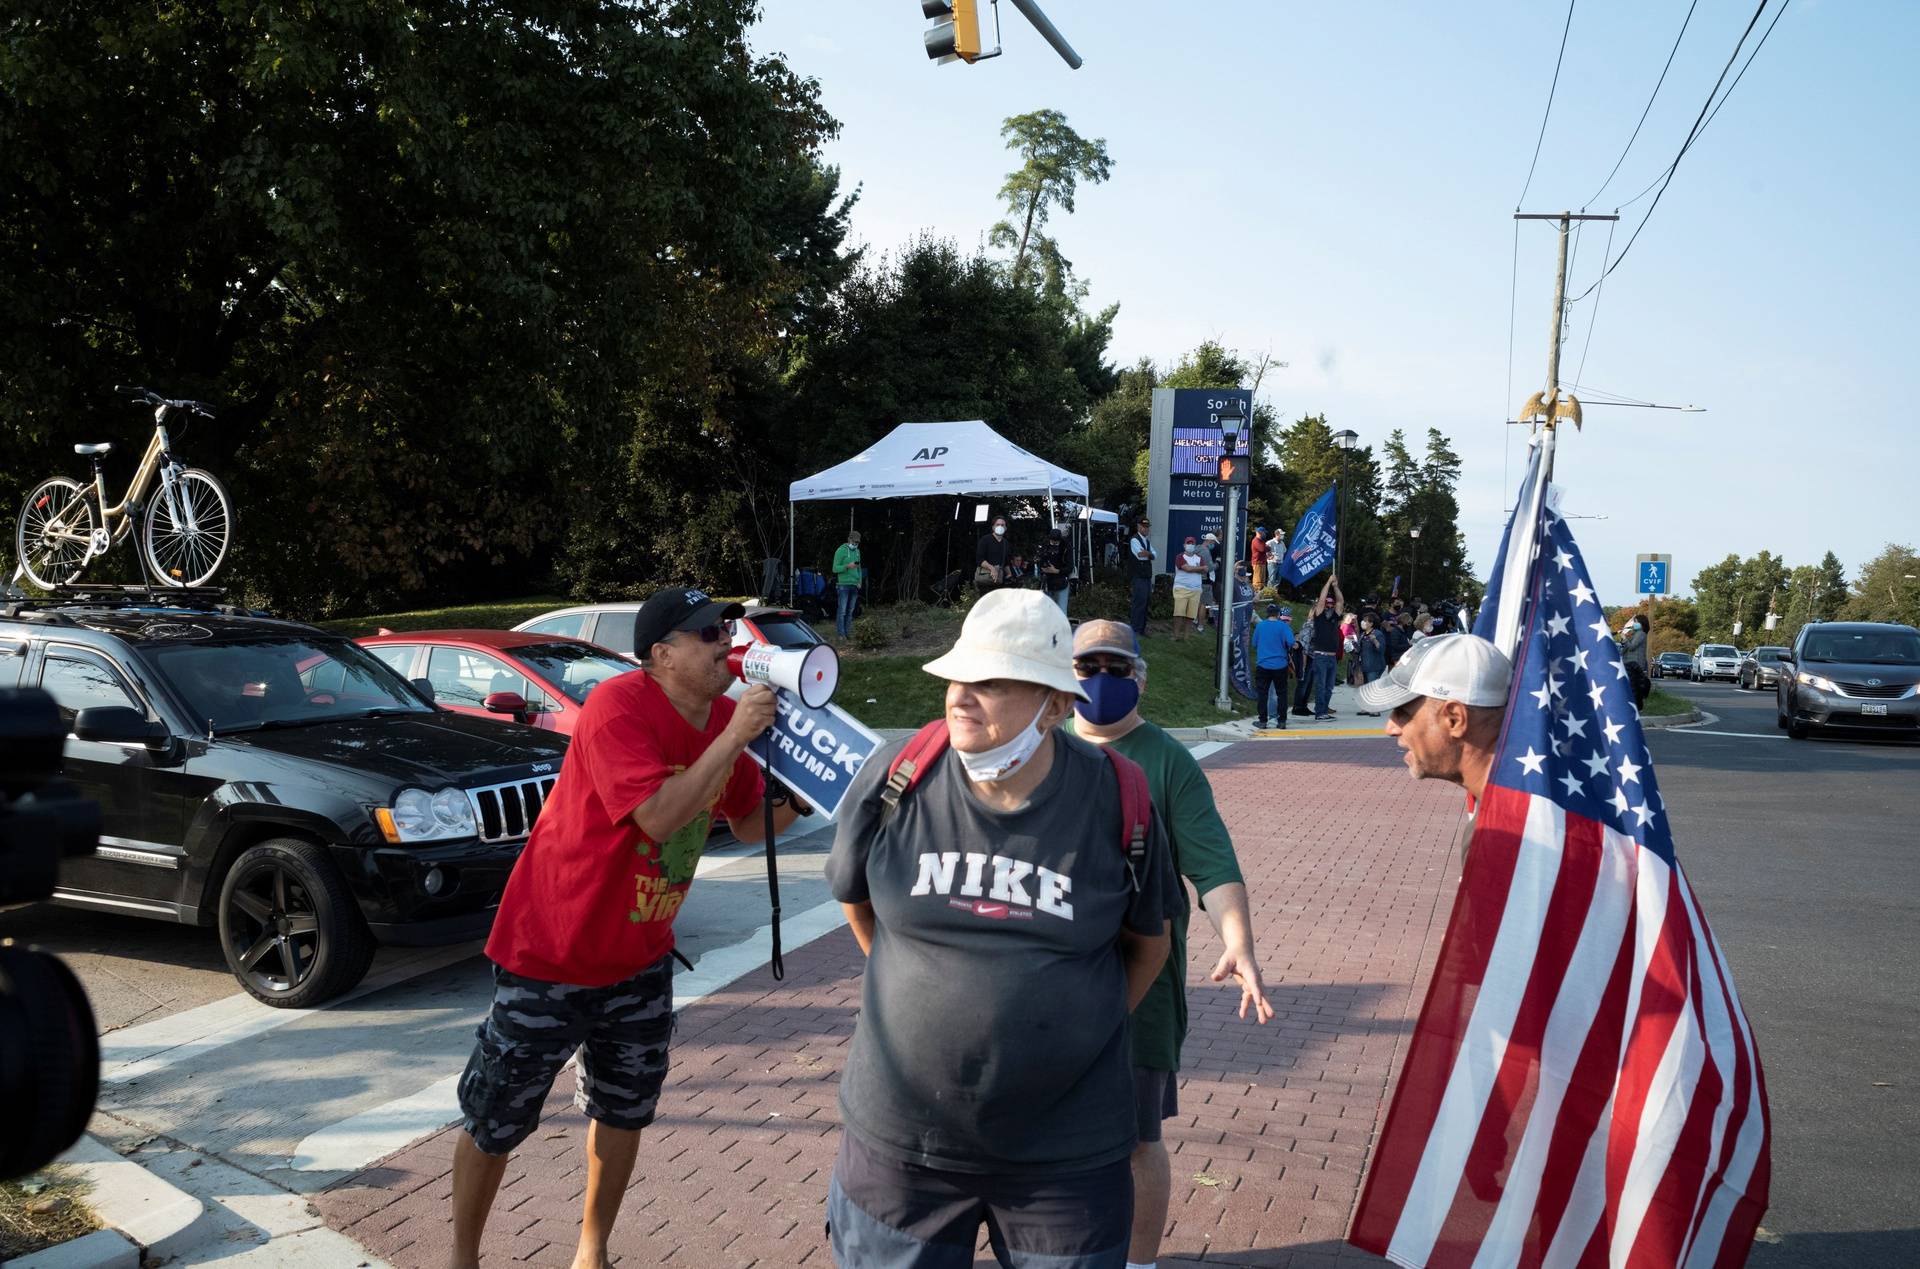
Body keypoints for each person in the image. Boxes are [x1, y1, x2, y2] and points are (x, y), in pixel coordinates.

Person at [449, 586, 810, 1269]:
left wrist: (807, 784)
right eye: (708, 631)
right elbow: (657, 816)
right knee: (497, 1115)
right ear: (661, 654)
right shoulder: (619, 706)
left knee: (624, 1109)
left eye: (727, 626)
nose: (725, 639)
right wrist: (736, 735)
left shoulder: (724, 714)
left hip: (641, 957)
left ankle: (594, 1251)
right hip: (552, 950)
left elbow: (747, 821)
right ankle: (462, 1258)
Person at [824, 590, 1180, 1268]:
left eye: (990, 682)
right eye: (959, 676)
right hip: (901, 1150)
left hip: (1065, 1161)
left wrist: (1068, 1029)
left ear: (1054, 704)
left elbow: (1149, 944)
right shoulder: (898, 777)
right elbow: (858, 901)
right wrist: (926, 994)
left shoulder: (1120, 798)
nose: (961, 696)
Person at [1067, 620, 1274, 1269]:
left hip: (1140, 990)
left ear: (1141, 678)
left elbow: (1212, 867)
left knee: (1136, 1138)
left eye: (1117, 668)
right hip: (1046, 984)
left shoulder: (1167, 761)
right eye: (1087, 665)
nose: (1101, 679)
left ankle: (1137, 1262)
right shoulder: (1039, 749)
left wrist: (1238, 942)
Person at [1356, 632, 1513, 863]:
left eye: (1402, 713)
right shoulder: (1511, 812)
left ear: (1455, 719)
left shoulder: (1509, 840)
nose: (1390, 728)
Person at [1250, 602, 1296, 729]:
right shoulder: (1283, 626)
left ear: (1267, 614)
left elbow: (1254, 643)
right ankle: (1282, 721)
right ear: (1278, 614)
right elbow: (1291, 642)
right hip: (1280, 665)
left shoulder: (1260, 626)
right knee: (1282, 693)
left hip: (1263, 664)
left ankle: (1263, 721)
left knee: (1262, 694)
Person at [1306, 572, 1344, 720]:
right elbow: (1321, 600)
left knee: (1329, 687)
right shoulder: (1319, 615)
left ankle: (1323, 710)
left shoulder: (1335, 616)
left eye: (1330, 604)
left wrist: (1335, 587)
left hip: (1332, 657)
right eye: (1327, 604)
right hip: (1320, 656)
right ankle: (1319, 712)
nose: (1329, 606)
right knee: (1321, 685)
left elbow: (1340, 601)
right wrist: (1328, 583)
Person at [1171, 536, 1207, 640]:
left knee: (1190, 615)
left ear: (1195, 546)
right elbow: (1186, 568)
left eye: (1192, 544)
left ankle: (1186, 637)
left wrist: (1194, 569)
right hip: (1181, 588)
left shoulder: (1199, 558)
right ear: (1184, 545)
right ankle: (1176, 636)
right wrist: (1198, 568)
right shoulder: (1180, 557)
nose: (1190, 545)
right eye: (1188, 543)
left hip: (1195, 590)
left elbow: (1205, 570)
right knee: (1179, 613)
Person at [1127, 516, 1156, 636]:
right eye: (1144, 527)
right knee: (1138, 603)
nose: (1146, 529)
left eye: (1147, 527)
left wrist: (1148, 554)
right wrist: (1149, 555)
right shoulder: (1134, 540)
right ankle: (1135, 629)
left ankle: (1142, 629)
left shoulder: (1146, 542)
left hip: (1146, 577)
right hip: (1138, 576)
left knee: (1145, 603)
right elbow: (1140, 555)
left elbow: (1154, 555)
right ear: (1138, 527)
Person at [833, 529, 863, 639]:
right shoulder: (840, 551)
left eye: (857, 542)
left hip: (854, 585)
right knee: (842, 611)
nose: (855, 544)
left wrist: (859, 581)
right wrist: (847, 566)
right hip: (843, 585)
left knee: (850, 611)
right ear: (849, 539)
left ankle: (847, 633)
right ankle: (841, 634)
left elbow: (859, 568)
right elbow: (834, 568)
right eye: (854, 542)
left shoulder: (857, 551)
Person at [1355, 615, 1388, 713]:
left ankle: (1375, 709)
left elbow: (1381, 649)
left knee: (1372, 686)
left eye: (1366, 621)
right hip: (1365, 664)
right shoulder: (1363, 634)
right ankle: (1366, 707)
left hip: (1375, 664)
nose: (1363, 623)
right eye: (1363, 621)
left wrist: (1374, 640)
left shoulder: (1377, 634)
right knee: (1366, 687)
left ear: (1371, 623)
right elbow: (1359, 649)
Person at [1037, 525, 1072, 614]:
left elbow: (1070, 567)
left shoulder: (1066, 546)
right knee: (1047, 611)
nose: (1054, 544)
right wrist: (1042, 568)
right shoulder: (1045, 545)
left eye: (1056, 543)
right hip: (1047, 582)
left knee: (1061, 611)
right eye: (1052, 542)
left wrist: (1056, 571)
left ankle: (1061, 627)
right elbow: (1039, 560)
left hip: (1061, 582)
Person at [1619, 616, 1651, 708]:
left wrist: (1625, 638)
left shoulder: (1641, 634)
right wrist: (1623, 640)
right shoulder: (1635, 634)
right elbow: (1626, 648)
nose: (1634, 624)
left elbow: (1632, 647)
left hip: (1635, 664)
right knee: (1633, 685)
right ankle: (1634, 704)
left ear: (1642, 624)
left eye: (1636, 622)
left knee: (1635, 686)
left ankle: (1637, 705)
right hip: (1630, 663)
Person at [976, 516, 1013, 589]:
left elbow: (1006, 562)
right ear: (993, 527)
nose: (1000, 527)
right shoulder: (985, 540)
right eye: (998, 524)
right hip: (985, 580)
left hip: (999, 581)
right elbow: (979, 559)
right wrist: (992, 568)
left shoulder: (1006, 543)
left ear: (1005, 528)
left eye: (1002, 525)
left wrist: (1009, 574)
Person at [1249, 525, 1268, 590]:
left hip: (1262, 562)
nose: (1265, 534)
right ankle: (1255, 594)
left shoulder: (1261, 541)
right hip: (1257, 563)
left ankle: (1260, 595)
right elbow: (1262, 549)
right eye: (1264, 532)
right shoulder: (1256, 540)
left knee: (1262, 581)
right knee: (1257, 582)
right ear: (1259, 532)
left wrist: (1267, 548)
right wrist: (1267, 548)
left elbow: (1266, 548)